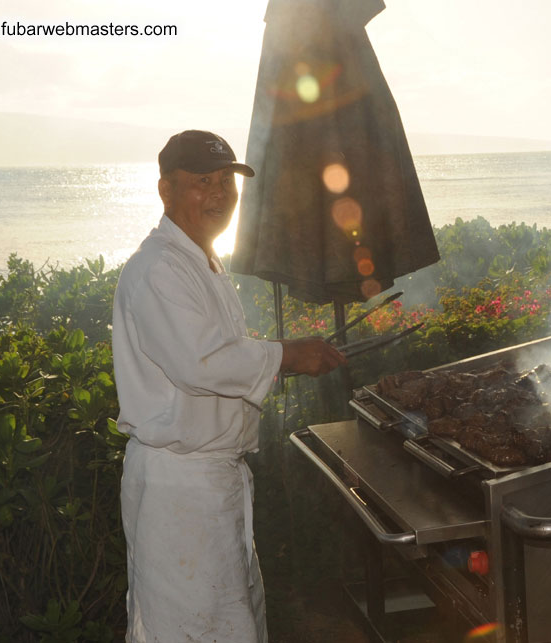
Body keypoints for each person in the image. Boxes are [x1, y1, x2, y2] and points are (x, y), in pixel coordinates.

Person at [111, 130, 346, 642]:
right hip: (180, 489)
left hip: (214, 483)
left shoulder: (202, 262)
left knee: (230, 623)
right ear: (166, 190)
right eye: (203, 182)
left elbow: (219, 357)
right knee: (191, 629)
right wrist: (286, 353)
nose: (219, 194)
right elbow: (201, 363)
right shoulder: (158, 268)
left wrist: (282, 358)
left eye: (227, 182)